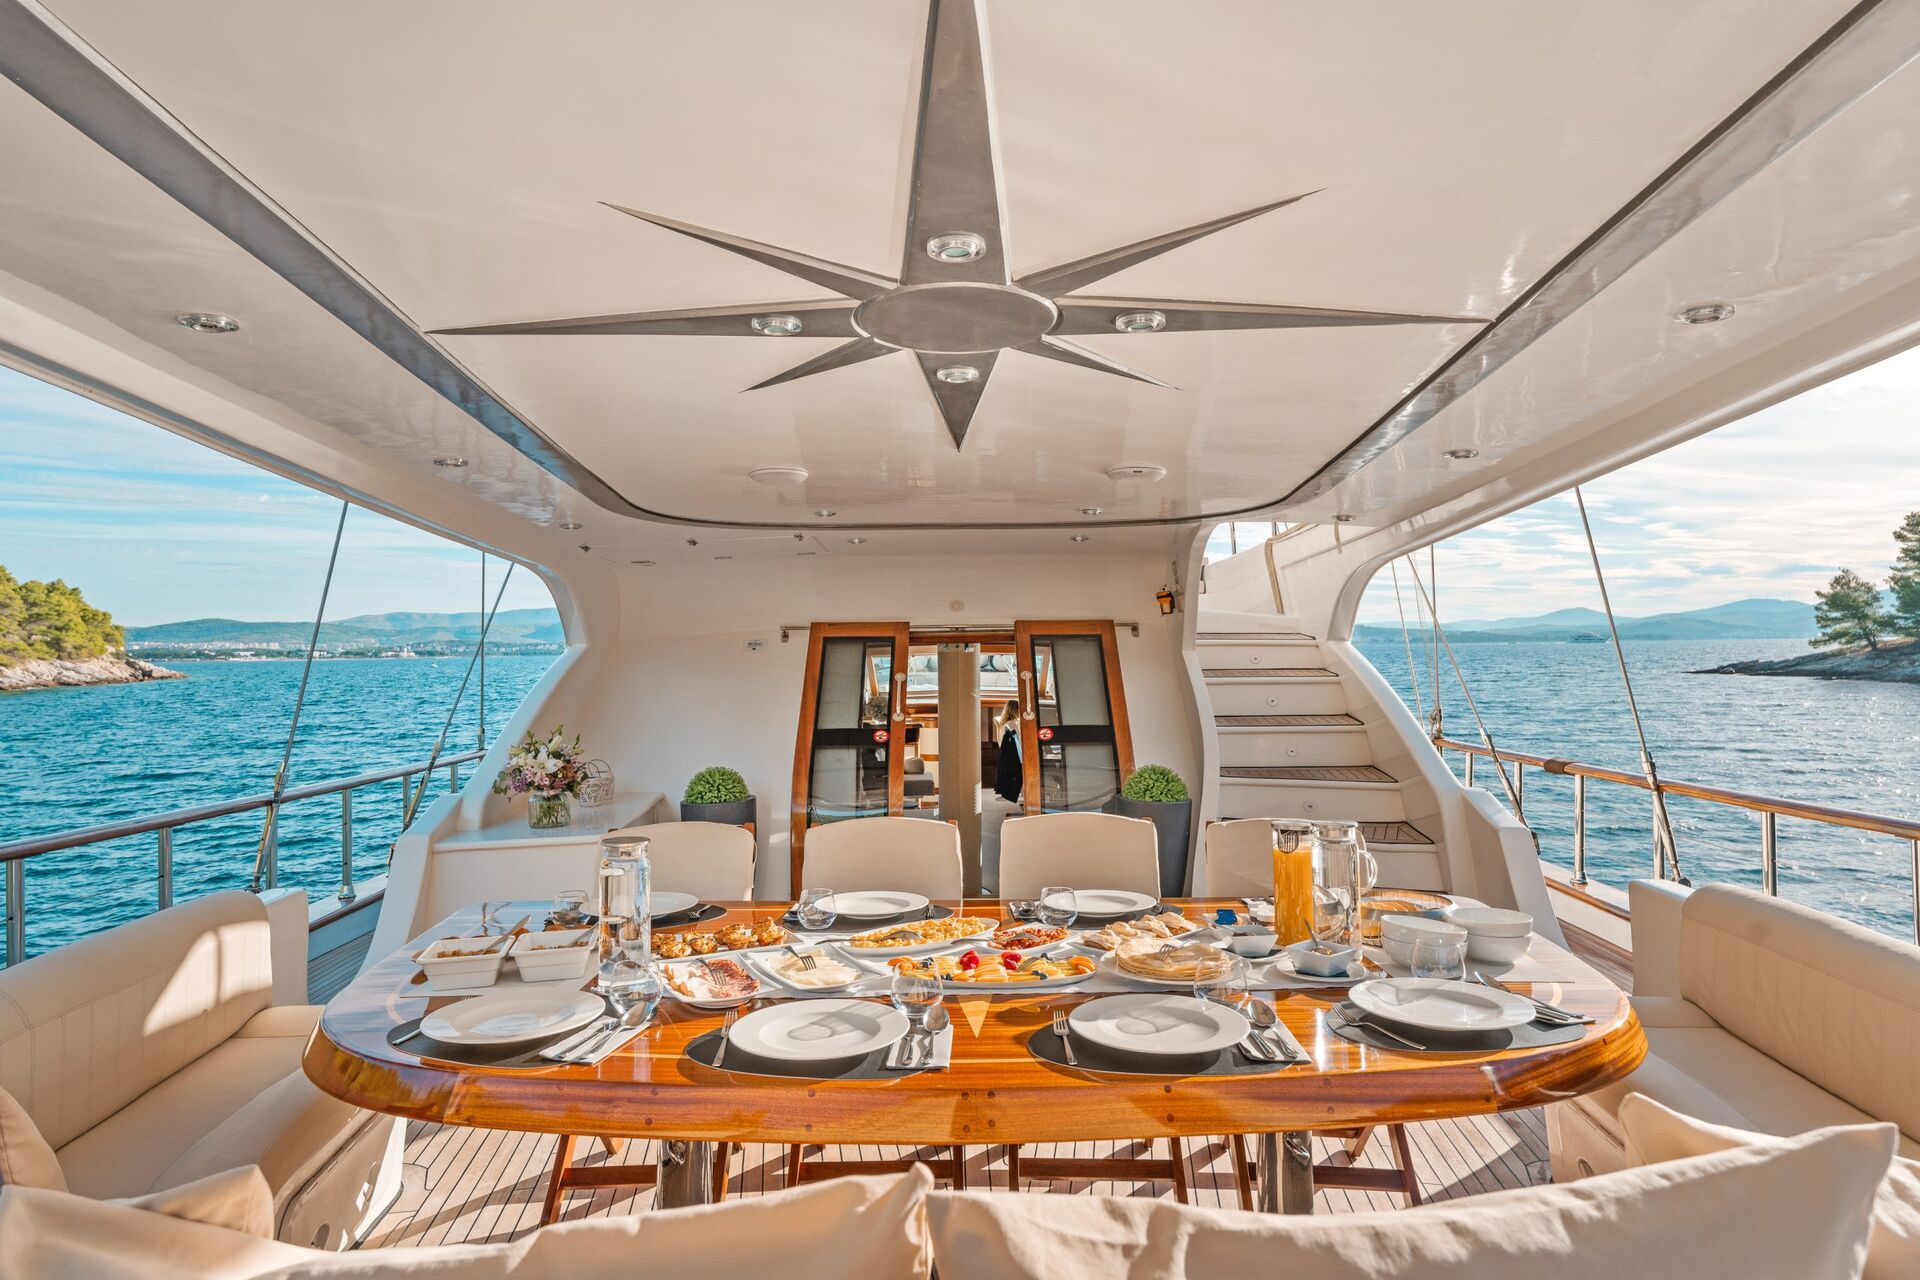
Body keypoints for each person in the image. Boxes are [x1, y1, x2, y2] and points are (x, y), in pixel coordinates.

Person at [992, 698, 1022, 803]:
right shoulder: (1012, 724)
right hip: (1016, 757)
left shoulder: (1004, 724)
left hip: (1007, 757)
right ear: (1015, 710)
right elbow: (1020, 742)